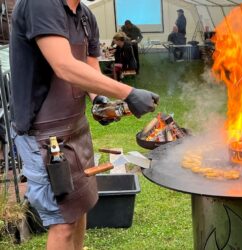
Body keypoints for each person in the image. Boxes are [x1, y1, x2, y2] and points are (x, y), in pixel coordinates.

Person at [9, 0, 159, 249]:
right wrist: (128, 92)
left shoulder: (86, 15)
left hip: (75, 128)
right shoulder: (41, 4)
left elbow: (89, 66)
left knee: (80, 209)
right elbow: (64, 65)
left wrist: (98, 98)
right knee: (63, 221)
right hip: (43, 134)